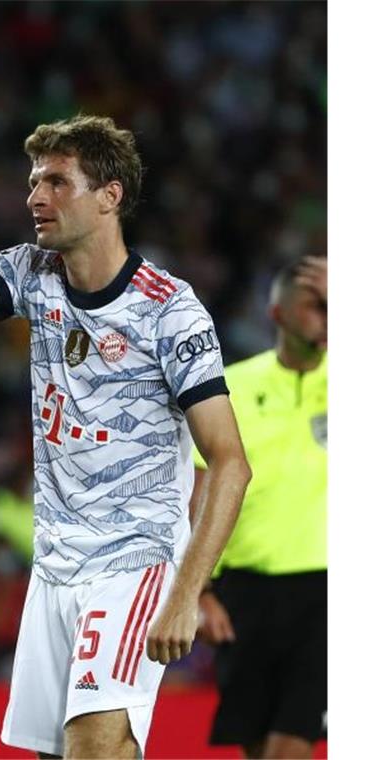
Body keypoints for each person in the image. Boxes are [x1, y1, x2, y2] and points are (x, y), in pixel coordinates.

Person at [0, 54, 252, 759]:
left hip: (135, 561)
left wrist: (184, 591)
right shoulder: (31, 273)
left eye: (56, 181)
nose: (35, 196)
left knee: (95, 745)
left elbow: (230, 463)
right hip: (54, 570)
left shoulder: (170, 312)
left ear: (109, 196)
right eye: (32, 181)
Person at [193, 256, 327, 759]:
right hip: (243, 593)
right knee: (258, 747)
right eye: (313, 304)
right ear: (277, 315)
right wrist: (199, 590)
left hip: (325, 589)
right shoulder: (235, 387)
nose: (325, 314)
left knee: (291, 743)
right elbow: (200, 492)